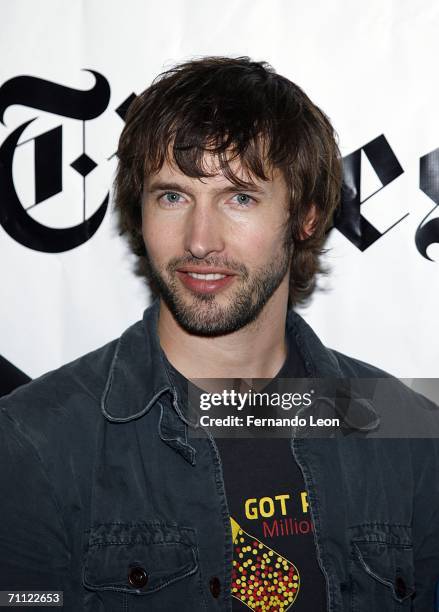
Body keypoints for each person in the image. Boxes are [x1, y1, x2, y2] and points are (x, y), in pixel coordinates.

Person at [0, 56, 438, 612]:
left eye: (239, 198)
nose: (200, 240)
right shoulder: (35, 441)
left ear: (305, 217)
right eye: (173, 196)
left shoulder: (406, 432)